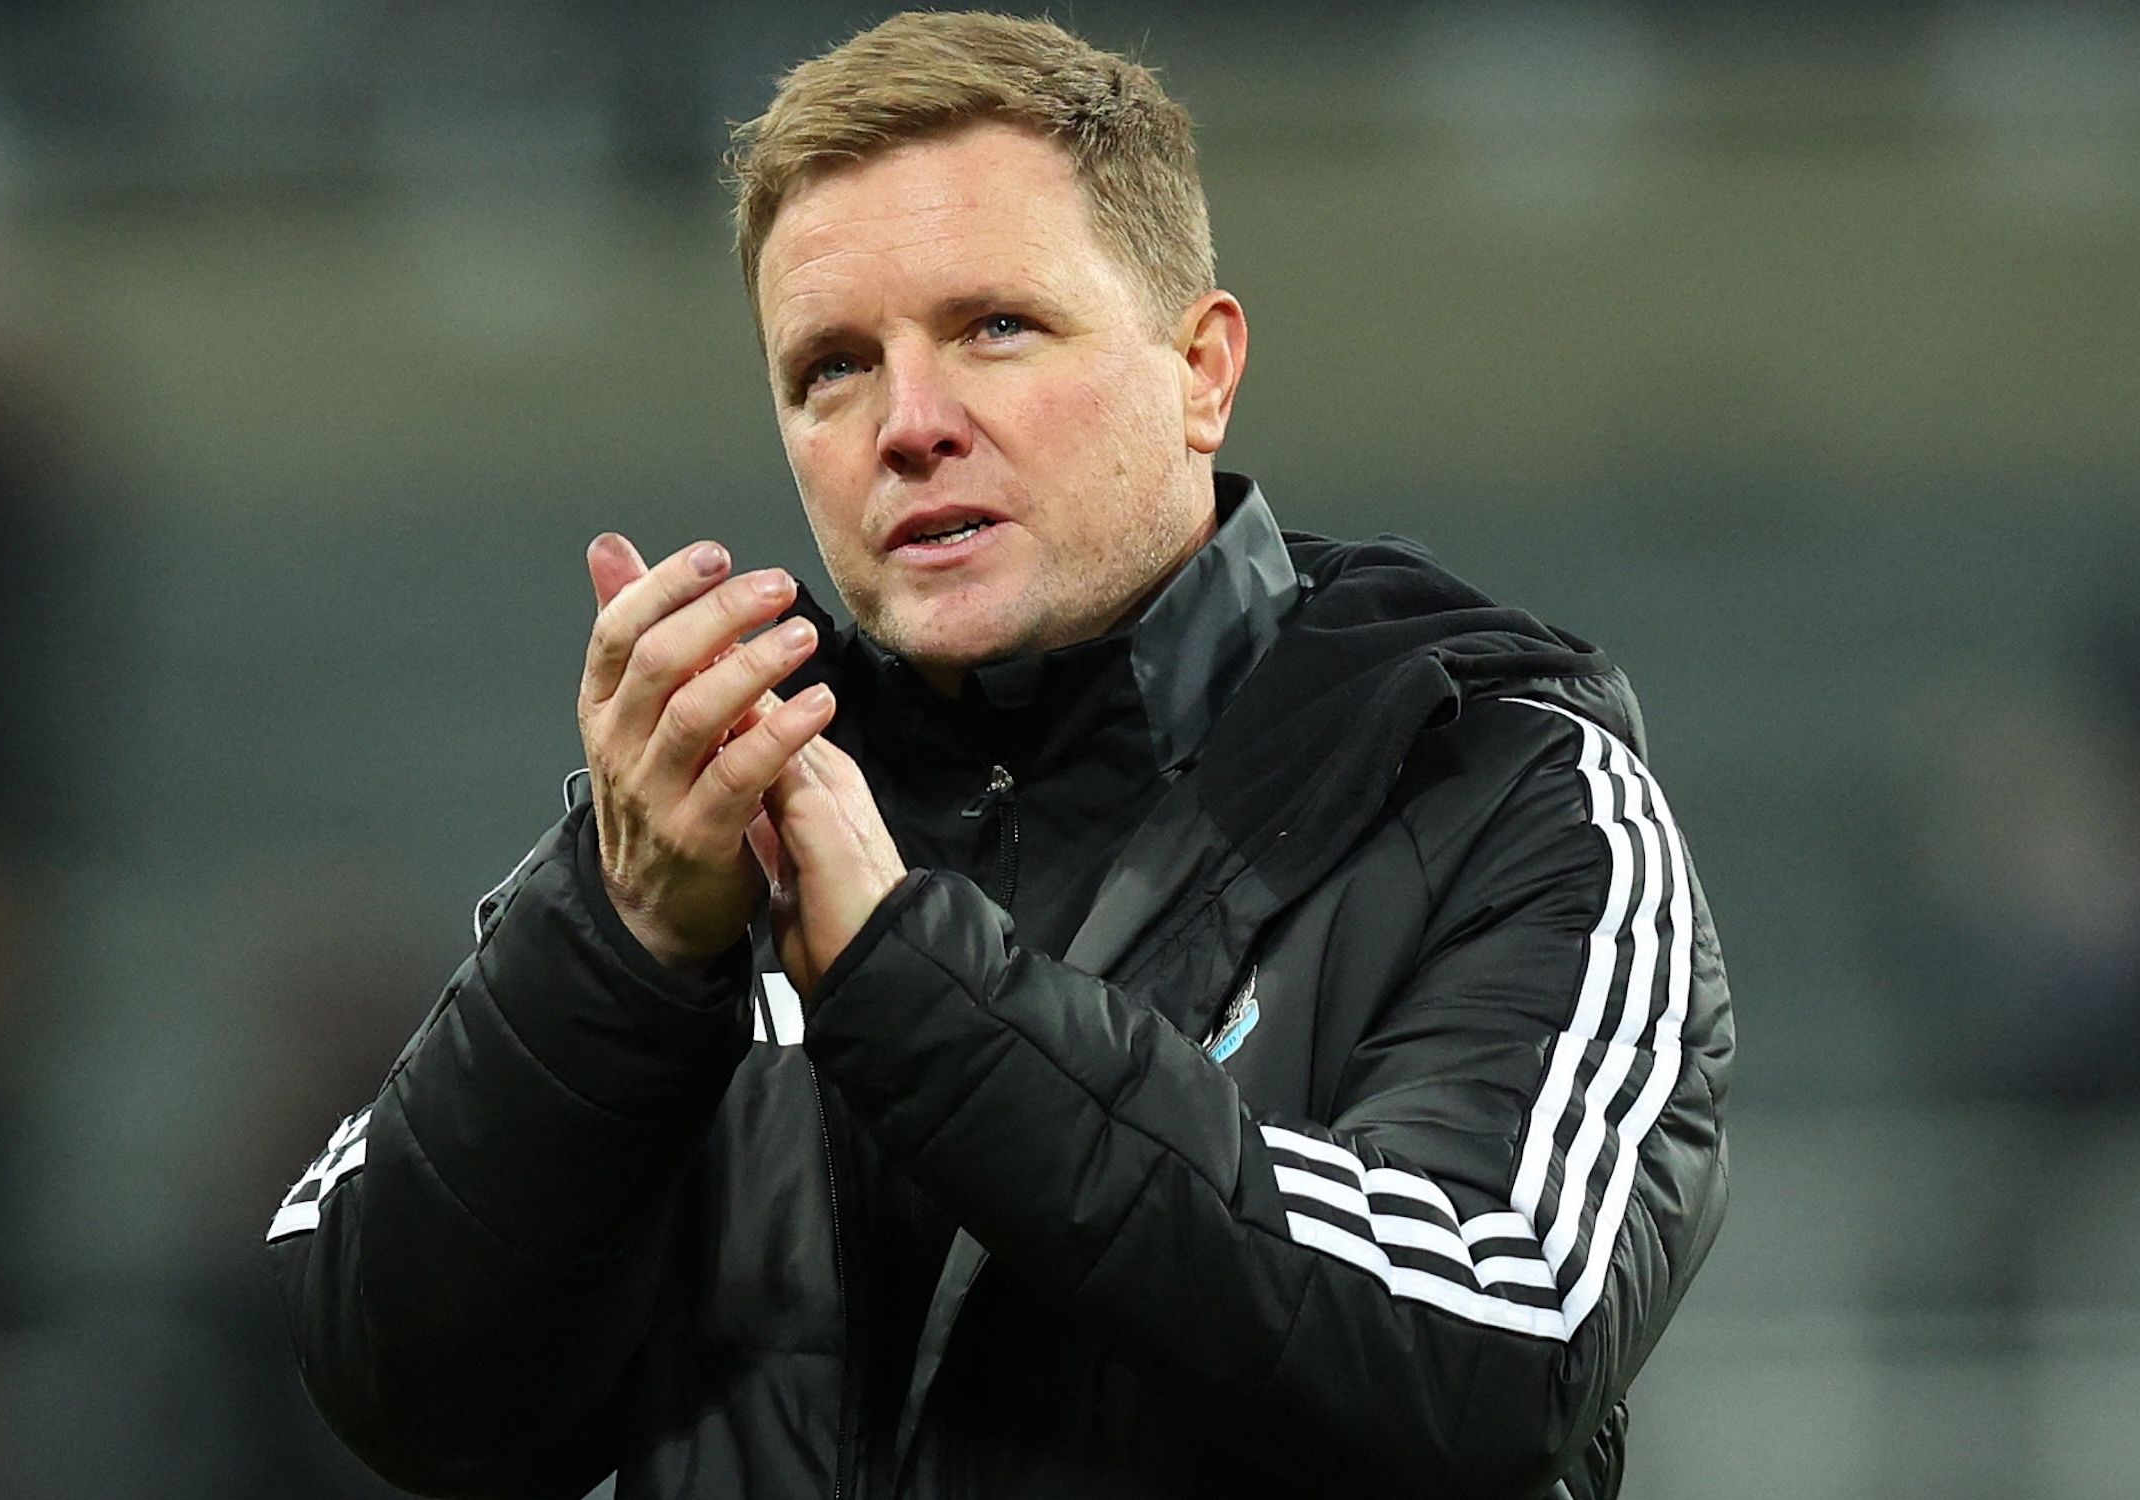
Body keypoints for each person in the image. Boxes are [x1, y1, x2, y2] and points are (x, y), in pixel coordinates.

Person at [266, 13, 1731, 1498]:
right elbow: (397, 1384)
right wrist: (622, 949)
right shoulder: (709, 838)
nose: (908, 425)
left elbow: (1493, 1336)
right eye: (831, 368)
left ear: (1201, 370)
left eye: (996, 329)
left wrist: (917, 992)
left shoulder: (1504, 795)